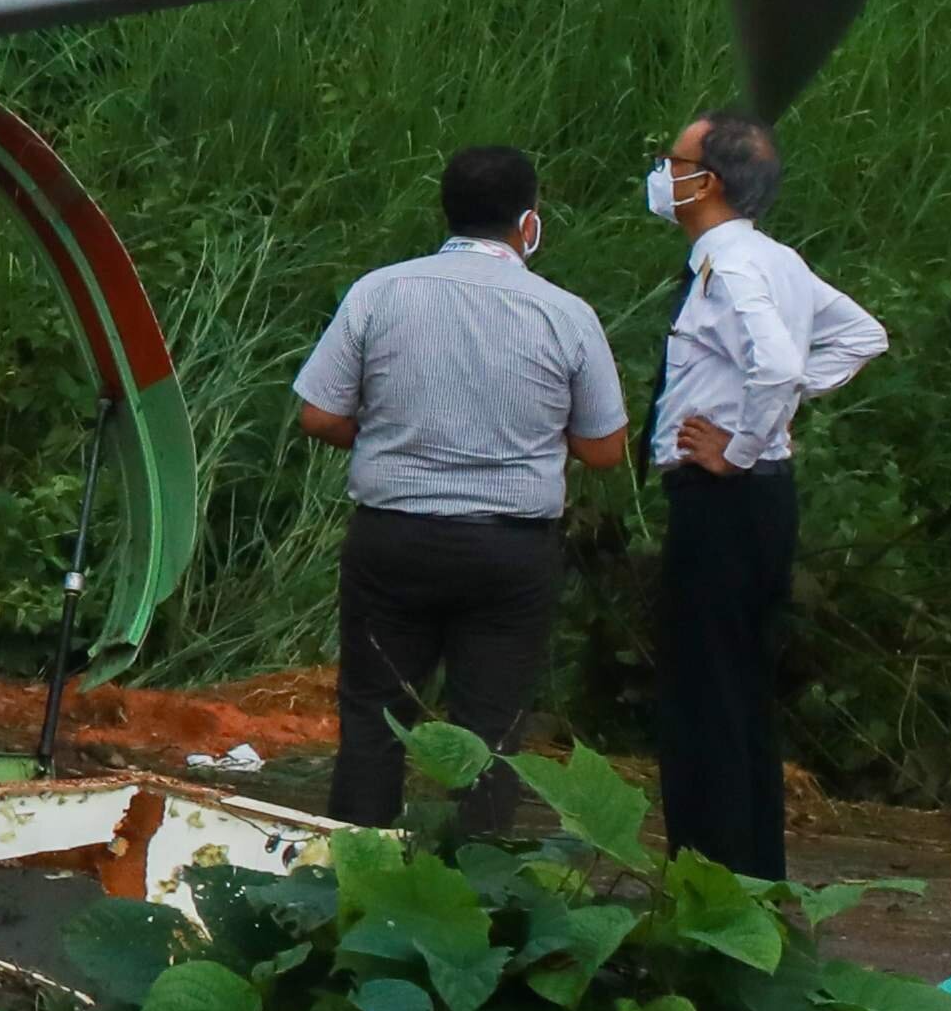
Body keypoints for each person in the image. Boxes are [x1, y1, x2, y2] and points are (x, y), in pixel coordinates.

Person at [286, 142, 626, 830]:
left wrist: (391, 436)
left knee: (375, 715)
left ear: (447, 212)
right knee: (492, 730)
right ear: (528, 223)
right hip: (510, 552)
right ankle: (476, 898)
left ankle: (358, 878)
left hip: (395, 538)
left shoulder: (381, 291)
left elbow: (318, 414)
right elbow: (604, 447)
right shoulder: (565, 313)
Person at [649, 110, 886, 879]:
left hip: (723, 501)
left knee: (704, 696)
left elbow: (779, 364)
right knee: (740, 688)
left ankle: (712, 881)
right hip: (762, 504)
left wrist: (739, 448)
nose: (662, 172)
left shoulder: (733, 265)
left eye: (672, 159)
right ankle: (753, 875)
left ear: (705, 182)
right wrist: (770, 420)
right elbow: (860, 336)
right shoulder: (779, 259)